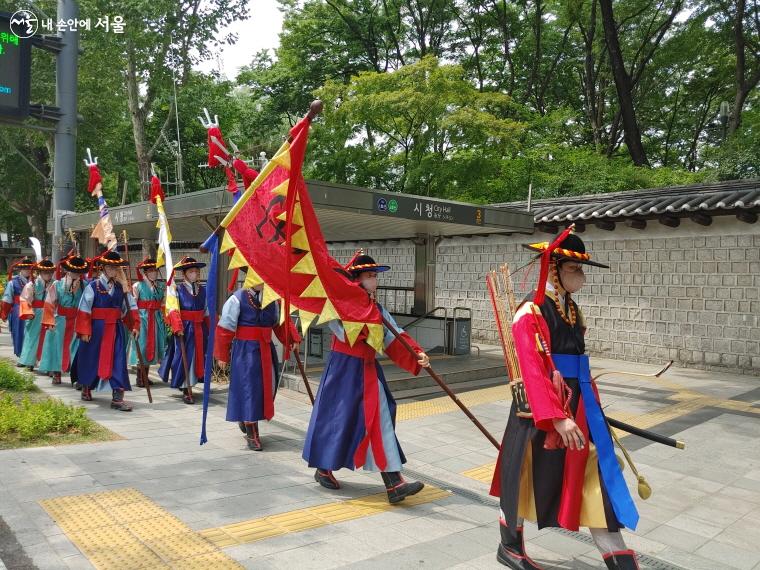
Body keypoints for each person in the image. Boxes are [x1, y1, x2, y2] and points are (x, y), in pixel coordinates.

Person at [490, 230, 640, 570]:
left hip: (578, 403)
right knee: (523, 474)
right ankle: (509, 547)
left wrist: (587, 407)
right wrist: (556, 415)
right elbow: (532, 366)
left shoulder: (572, 309)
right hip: (540, 407)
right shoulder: (530, 310)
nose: (582, 277)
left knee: (590, 473)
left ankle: (621, 560)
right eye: (575, 269)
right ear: (554, 269)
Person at [303, 254, 431, 504]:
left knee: (380, 417)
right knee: (339, 420)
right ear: (356, 281)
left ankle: (394, 483)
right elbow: (343, 332)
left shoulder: (377, 309)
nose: (375, 281)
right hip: (344, 371)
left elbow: (394, 334)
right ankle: (324, 467)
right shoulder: (338, 305)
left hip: (368, 370)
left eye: (375, 276)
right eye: (370, 276)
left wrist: (417, 353)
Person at [214, 279, 301, 451]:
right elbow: (225, 328)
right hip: (246, 352)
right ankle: (252, 432)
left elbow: (279, 323)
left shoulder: (273, 299)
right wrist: (222, 355)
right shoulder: (237, 299)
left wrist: (291, 339)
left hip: (266, 351)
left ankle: (247, 417)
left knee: (266, 389)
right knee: (249, 389)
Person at [72, 251, 139, 411]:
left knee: (118, 361)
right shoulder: (92, 286)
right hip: (96, 329)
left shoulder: (120, 288)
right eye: (110, 267)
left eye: (116, 268)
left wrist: (135, 325)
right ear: (103, 268)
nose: (113, 270)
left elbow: (130, 307)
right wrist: (84, 330)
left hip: (115, 330)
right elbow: (84, 308)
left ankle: (117, 397)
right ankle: (87, 386)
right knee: (91, 359)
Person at [160, 256, 209, 404]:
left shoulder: (203, 290)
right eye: (191, 271)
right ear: (185, 274)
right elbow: (173, 310)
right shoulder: (177, 289)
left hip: (200, 328)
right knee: (183, 357)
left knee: (197, 356)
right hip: (184, 328)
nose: (195, 274)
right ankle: (186, 386)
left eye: (196, 271)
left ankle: (191, 383)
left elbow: (206, 311)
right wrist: (177, 327)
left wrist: (211, 328)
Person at [38, 256, 88, 384]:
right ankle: (56, 372)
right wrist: (49, 321)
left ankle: (77, 376)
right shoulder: (57, 284)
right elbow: (49, 303)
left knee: (77, 348)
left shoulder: (85, 285)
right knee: (57, 346)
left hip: (77, 320)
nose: (75, 274)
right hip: (60, 320)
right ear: (67, 270)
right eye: (73, 271)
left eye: (78, 272)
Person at [129, 258, 166, 388]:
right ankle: (140, 377)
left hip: (155, 318)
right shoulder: (137, 286)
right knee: (143, 346)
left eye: (155, 270)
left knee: (153, 345)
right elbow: (133, 304)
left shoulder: (161, 286)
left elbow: (162, 303)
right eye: (151, 271)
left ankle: (146, 376)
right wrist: (135, 323)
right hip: (143, 318)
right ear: (145, 272)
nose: (154, 273)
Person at [18, 259, 56, 371]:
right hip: (35, 314)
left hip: (50, 313)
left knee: (49, 339)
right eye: (45, 272)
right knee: (32, 338)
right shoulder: (32, 284)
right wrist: (28, 312)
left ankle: (47, 365)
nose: (48, 275)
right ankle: (29, 361)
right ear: (40, 272)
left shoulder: (55, 284)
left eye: (50, 272)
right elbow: (24, 299)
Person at [1, 257, 35, 360]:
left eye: (29, 268)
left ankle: (30, 356)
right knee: (18, 332)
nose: (28, 270)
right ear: (20, 269)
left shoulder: (35, 281)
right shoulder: (13, 282)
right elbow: (7, 299)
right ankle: (21, 354)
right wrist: (4, 313)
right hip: (17, 310)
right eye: (25, 268)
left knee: (32, 333)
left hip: (32, 310)